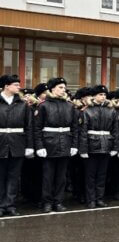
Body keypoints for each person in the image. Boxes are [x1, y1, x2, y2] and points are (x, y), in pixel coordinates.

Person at [34, 77, 79, 213]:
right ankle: (47, 202)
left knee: (61, 177)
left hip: (65, 142)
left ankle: (58, 201)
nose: (63, 90)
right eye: (60, 87)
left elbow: (75, 128)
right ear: (52, 89)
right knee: (48, 176)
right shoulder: (43, 106)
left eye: (64, 88)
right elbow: (37, 128)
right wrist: (40, 146)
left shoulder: (69, 106)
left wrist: (74, 145)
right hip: (49, 144)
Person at [79, 85, 119, 208]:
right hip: (92, 145)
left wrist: (115, 147)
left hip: (106, 145)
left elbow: (115, 130)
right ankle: (91, 199)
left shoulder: (111, 110)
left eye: (104, 95)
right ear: (94, 96)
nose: (103, 97)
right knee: (90, 175)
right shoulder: (87, 110)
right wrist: (83, 149)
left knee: (102, 174)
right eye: (100, 94)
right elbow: (83, 131)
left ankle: (99, 198)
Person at [0, 75, 34, 216]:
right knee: (1, 176)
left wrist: (29, 146)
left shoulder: (22, 104)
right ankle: (1, 205)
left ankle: (10, 204)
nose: (18, 87)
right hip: (1, 143)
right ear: (6, 86)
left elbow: (29, 126)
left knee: (14, 176)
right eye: (15, 84)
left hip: (17, 144)